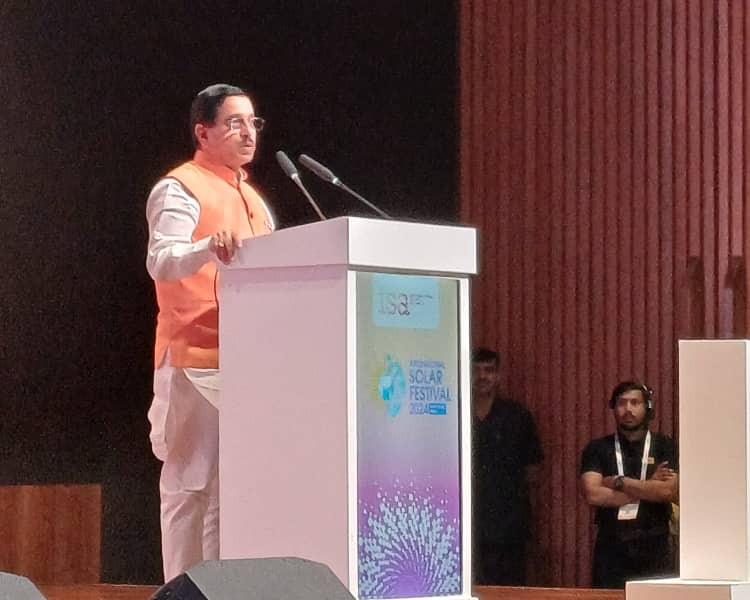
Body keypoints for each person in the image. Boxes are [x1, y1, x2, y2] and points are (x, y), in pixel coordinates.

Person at [145, 83, 275, 581]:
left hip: (245, 360)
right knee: (189, 485)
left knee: (228, 491)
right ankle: (180, 590)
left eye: (252, 122)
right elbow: (161, 261)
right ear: (203, 133)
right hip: (192, 355)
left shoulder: (254, 200)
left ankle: (218, 589)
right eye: (234, 123)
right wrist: (206, 248)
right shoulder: (180, 187)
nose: (248, 132)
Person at [580, 381, 678, 589]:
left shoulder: (665, 445)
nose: (628, 409)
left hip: (654, 540)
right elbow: (593, 494)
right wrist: (649, 486)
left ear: (647, 407)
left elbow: (667, 491)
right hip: (611, 543)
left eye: (635, 403)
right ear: (613, 408)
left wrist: (619, 482)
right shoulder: (598, 448)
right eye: (622, 403)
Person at [472, 347, 542, 585]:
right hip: (466, 520)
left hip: (509, 523)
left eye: (488, 370)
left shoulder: (517, 416)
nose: (482, 376)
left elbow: (533, 469)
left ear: (498, 376)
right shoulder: (455, 414)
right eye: (476, 370)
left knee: (509, 587)